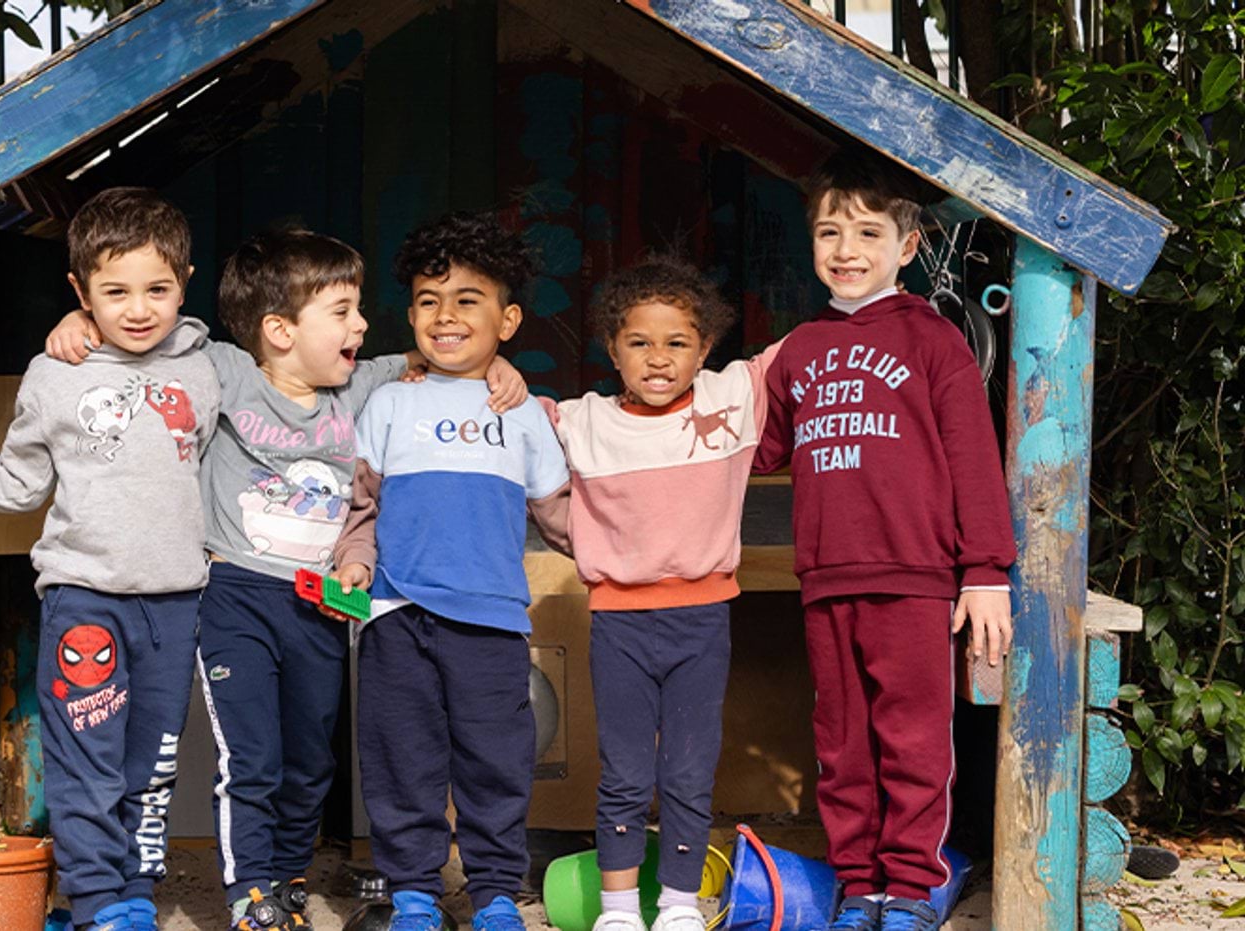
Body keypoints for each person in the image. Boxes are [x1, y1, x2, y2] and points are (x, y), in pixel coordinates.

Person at [45, 225, 527, 931]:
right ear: (278, 330)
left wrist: (498, 369)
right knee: (254, 757)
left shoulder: (362, 383)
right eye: (342, 311)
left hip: (319, 605)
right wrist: (80, 320)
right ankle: (248, 891)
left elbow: (445, 353)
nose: (362, 324)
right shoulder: (226, 373)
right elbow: (144, 323)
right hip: (234, 592)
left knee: (310, 760)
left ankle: (289, 874)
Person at [754, 150, 1016, 931]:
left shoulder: (933, 340)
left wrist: (987, 570)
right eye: (830, 231)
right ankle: (857, 882)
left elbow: (974, 459)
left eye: (868, 232)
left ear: (906, 246)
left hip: (916, 577)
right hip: (827, 576)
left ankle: (908, 887)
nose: (845, 249)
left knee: (912, 741)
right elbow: (754, 449)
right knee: (842, 745)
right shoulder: (796, 350)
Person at [0, 187, 219, 931]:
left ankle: (133, 890)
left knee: (149, 765)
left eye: (157, 288)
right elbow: (18, 482)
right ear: (81, 293)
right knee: (86, 760)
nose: (138, 308)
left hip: (175, 600)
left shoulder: (206, 368)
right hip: (85, 596)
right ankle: (99, 901)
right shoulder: (55, 373)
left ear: (184, 282)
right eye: (114, 292)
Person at [332, 212, 570, 931]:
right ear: (409, 316)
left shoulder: (525, 411)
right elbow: (362, 507)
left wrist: (625, 561)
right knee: (402, 759)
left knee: (495, 762)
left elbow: (560, 514)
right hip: (397, 617)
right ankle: (413, 893)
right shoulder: (389, 401)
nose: (447, 315)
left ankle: (497, 890)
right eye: (430, 300)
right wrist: (352, 560)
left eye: (469, 300)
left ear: (509, 319)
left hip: (492, 620)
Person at [544, 257, 782, 931]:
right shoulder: (581, 421)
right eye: (639, 342)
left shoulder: (731, 398)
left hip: (702, 620)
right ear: (611, 349)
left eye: (677, 342)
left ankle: (679, 903)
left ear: (705, 349)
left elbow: (815, 345)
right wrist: (571, 532)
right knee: (622, 770)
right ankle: (619, 910)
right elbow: (512, 431)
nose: (658, 358)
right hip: (620, 623)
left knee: (686, 769)